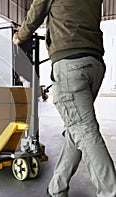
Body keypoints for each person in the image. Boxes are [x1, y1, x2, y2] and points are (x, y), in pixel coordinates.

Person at [13, 0, 116, 196]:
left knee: (85, 132)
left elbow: (36, 13)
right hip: (95, 64)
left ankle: (110, 191)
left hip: (70, 65)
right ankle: (57, 188)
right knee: (75, 131)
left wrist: (19, 37)